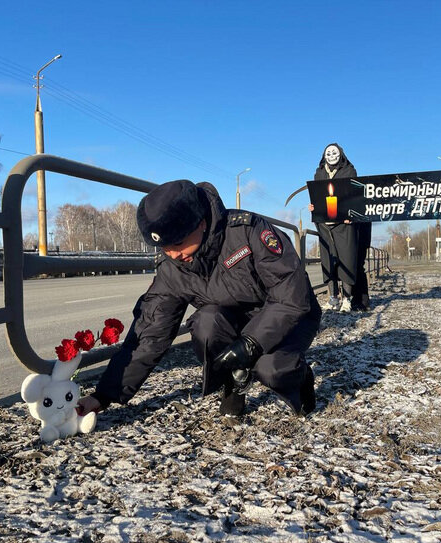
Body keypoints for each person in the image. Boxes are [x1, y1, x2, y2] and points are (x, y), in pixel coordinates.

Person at [78, 179, 321, 418]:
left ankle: (300, 378)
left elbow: (291, 297)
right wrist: (103, 395)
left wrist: (251, 342)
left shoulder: (247, 232)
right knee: (206, 322)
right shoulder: (173, 268)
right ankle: (232, 381)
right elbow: (149, 333)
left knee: (271, 369)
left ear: (201, 223)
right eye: (164, 247)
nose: (173, 254)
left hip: (288, 317)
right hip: (232, 323)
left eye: (178, 243)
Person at [310, 143, 367, 312]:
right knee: (328, 261)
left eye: (335, 152)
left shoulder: (349, 171)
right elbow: (317, 195)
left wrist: (351, 215)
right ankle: (333, 298)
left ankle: (347, 299)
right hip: (325, 225)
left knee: (347, 260)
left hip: (344, 224)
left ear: (340, 154)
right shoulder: (319, 173)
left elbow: (354, 196)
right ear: (324, 155)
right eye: (328, 153)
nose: (332, 155)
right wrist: (314, 207)